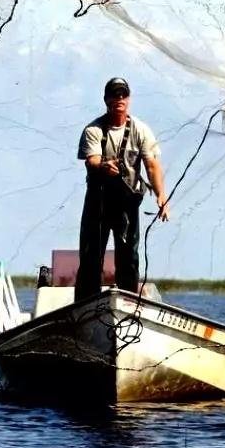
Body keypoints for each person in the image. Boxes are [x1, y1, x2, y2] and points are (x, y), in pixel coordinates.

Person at [75, 77, 170, 300]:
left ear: (128, 99)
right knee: (91, 257)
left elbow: (152, 165)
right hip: (98, 202)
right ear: (106, 99)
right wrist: (102, 166)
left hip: (127, 204)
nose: (119, 99)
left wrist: (161, 196)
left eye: (123, 95)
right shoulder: (94, 129)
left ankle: (128, 303)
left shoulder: (141, 129)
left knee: (129, 257)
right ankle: (86, 304)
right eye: (114, 95)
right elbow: (92, 160)